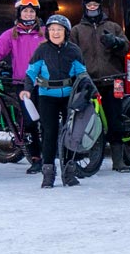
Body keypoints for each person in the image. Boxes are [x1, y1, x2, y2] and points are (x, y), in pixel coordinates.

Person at [0, 0, 51, 174]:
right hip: (23, 85)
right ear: (19, 13)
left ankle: (48, 157)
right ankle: (36, 159)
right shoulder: (11, 34)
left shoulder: (45, 33)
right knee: (30, 123)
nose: (28, 14)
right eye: (25, 11)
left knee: (47, 121)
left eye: (32, 11)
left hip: (44, 83)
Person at [23, 15, 89, 188]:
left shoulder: (74, 50)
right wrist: (27, 90)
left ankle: (68, 172)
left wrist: (88, 90)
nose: (55, 33)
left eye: (59, 29)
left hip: (68, 97)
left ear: (66, 32)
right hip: (47, 96)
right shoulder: (42, 50)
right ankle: (48, 174)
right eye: (52, 29)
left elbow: (82, 74)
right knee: (49, 133)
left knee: (71, 134)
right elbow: (31, 73)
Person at [71, 0, 130, 171]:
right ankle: (84, 153)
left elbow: (126, 47)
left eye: (95, 5)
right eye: (89, 5)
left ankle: (118, 160)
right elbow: (72, 55)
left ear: (100, 6)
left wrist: (116, 42)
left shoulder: (112, 26)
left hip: (113, 80)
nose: (92, 7)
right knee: (85, 118)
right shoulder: (76, 30)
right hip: (89, 81)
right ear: (84, 7)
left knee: (114, 119)